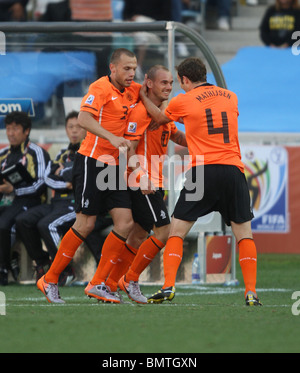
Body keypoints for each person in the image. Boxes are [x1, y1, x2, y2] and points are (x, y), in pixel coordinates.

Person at [139, 57, 262, 307]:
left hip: (203, 172)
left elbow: (159, 120)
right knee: (244, 235)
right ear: (204, 75)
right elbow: (208, 120)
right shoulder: (231, 96)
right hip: (233, 170)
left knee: (177, 231)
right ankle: (251, 293)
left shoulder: (182, 100)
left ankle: (168, 286)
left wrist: (142, 97)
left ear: (184, 79)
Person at [37, 48, 141, 304]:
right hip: (91, 162)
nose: (132, 73)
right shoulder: (100, 87)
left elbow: (148, 93)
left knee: (126, 223)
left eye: (134, 68)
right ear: (113, 68)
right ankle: (49, 279)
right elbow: (83, 118)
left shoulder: (132, 89)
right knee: (85, 224)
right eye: (127, 68)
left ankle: (98, 283)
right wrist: (113, 137)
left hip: (113, 166)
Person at [104, 65, 187, 303]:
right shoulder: (140, 113)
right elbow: (128, 147)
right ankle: (129, 279)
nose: (169, 87)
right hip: (143, 181)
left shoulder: (161, 111)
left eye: (171, 83)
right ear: (149, 83)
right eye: (164, 83)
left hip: (155, 181)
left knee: (139, 235)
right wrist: (140, 176)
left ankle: (111, 283)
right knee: (163, 231)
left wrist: (199, 135)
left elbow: (176, 135)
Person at [15, 111, 85, 284]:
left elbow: (80, 178)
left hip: (75, 204)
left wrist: (64, 172)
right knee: (23, 220)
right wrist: (66, 182)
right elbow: (47, 178)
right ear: (66, 130)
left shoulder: (88, 152)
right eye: (70, 127)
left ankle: (66, 269)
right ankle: (42, 261)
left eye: (78, 127)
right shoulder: (61, 154)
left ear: (85, 129)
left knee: (47, 224)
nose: (74, 131)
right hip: (56, 202)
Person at [0, 111, 50, 285]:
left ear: (26, 130)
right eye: (7, 129)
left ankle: (3, 269)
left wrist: (14, 190)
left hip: (30, 201)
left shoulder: (37, 152)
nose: (10, 133)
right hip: (6, 200)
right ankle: (10, 261)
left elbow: (42, 184)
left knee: (4, 224)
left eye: (15, 129)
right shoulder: (3, 154)